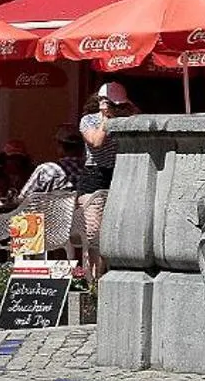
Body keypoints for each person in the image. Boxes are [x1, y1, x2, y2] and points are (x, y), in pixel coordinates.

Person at [75, 83, 135, 281]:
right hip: (94, 176)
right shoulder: (89, 120)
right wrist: (106, 119)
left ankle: (109, 274)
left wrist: (125, 113)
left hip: (118, 173)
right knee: (94, 233)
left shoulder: (124, 120)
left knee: (115, 229)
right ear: (101, 102)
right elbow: (96, 142)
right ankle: (92, 278)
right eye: (110, 103)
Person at [17, 131, 84, 205]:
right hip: (81, 215)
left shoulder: (48, 169)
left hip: (51, 215)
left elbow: (23, 200)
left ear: (60, 147)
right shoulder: (91, 171)